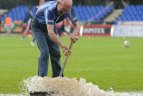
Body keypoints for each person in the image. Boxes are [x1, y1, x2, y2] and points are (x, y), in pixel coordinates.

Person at [31, 0, 80, 77]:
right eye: (63, 10)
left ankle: (58, 77)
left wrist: (74, 34)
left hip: (50, 25)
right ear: (59, 4)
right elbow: (50, 32)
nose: (64, 12)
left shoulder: (69, 9)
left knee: (56, 52)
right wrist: (62, 46)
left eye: (67, 11)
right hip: (38, 27)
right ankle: (41, 79)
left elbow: (77, 25)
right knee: (44, 52)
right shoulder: (50, 10)